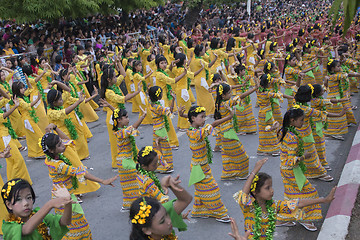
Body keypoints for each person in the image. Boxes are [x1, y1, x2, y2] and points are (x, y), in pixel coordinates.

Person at [41, 131, 118, 239]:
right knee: (78, 227)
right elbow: (81, 173)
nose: (63, 145)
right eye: (59, 145)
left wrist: (56, 129)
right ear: (51, 150)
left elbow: (67, 140)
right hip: (65, 198)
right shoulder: (59, 165)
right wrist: (102, 181)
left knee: (71, 226)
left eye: (61, 142)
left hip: (60, 195)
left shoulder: (50, 158)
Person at [233, 158, 336, 239]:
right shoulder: (248, 207)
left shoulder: (273, 206)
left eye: (271, 187)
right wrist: (254, 171)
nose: (272, 190)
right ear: (255, 192)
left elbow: (297, 203)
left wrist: (324, 200)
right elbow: (243, 194)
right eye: (267, 188)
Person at [179, 105, 235, 222]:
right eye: (202, 117)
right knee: (212, 189)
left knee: (202, 190)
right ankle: (220, 213)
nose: (205, 119)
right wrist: (229, 116)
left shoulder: (194, 128)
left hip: (202, 165)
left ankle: (200, 211)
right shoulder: (196, 134)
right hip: (198, 168)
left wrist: (183, 115)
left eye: (205, 117)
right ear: (194, 118)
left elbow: (192, 119)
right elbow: (213, 124)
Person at [277, 107, 324, 231]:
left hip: (286, 169)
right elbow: (290, 160)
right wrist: (304, 157)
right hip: (291, 171)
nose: (303, 123)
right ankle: (303, 218)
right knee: (310, 192)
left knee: (291, 195)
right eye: (301, 120)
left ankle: (282, 219)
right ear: (292, 121)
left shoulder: (284, 130)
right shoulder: (292, 137)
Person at [1, 178, 72, 239]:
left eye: (28, 197)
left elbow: (65, 221)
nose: (26, 203)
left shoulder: (37, 214)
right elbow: (26, 229)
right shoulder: (8, 227)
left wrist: (68, 202)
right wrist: (49, 204)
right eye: (18, 199)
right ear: (9, 205)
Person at [129, 176, 192, 240]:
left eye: (167, 214)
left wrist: (170, 184)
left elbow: (185, 200)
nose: (169, 221)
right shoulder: (158, 216)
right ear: (147, 230)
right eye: (162, 221)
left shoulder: (160, 213)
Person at [214, 83, 255, 180]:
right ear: (223, 95)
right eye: (229, 93)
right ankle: (241, 174)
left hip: (224, 132)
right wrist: (254, 89)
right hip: (228, 133)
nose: (231, 94)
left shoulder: (218, 103)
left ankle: (230, 174)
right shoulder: (226, 103)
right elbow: (241, 96)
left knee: (229, 155)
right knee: (242, 155)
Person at [111, 106, 146, 211]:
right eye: (126, 117)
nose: (128, 119)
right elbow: (133, 128)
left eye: (128, 117)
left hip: (127, 159)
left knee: (130, 184)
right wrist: (142, 116)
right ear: (119, 120)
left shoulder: (122, 130)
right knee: (138, 179)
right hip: (124, 161)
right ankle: (138, 204)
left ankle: (130, 205)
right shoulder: (120, 132)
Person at [11, 82, 44, 158]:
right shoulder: (18, 99)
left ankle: (34, 153)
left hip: (29, 118)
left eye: (23, 87)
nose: (23, 89)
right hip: (27, 119)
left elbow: (30, 90)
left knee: (32, 136)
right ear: (17, 90)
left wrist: (27, 81)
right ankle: (39, 152)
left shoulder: (22, 96)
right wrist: (38, 99)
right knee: (37, 134)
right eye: (21, 88)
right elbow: (27, 106)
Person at [148, 86, 175, 171]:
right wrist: (173, 99)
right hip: (161, 130)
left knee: (157, 148)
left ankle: (160, 165)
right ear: (158, 96)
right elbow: (169, 111)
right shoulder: (158, 107)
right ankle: (166, 166)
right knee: (165, 148)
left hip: (156, 129)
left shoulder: (151, 103)